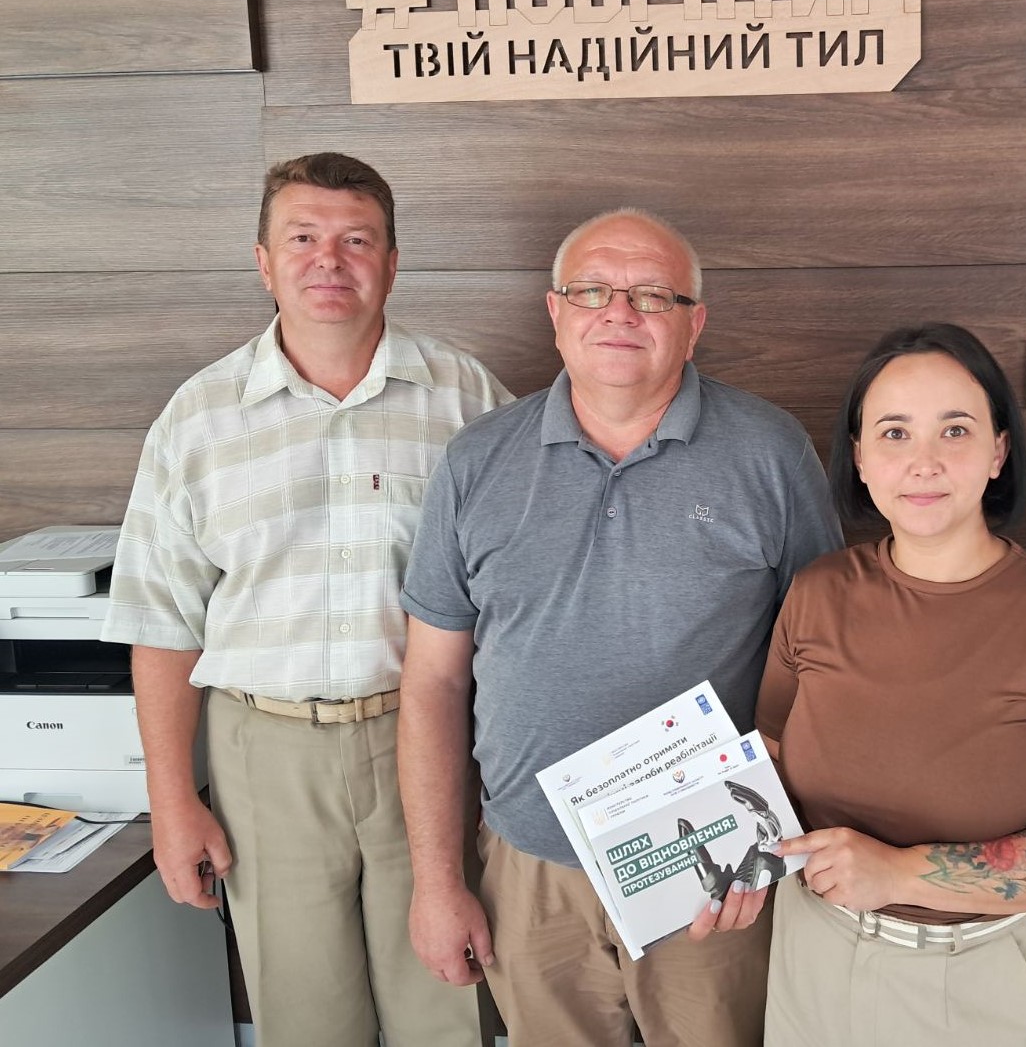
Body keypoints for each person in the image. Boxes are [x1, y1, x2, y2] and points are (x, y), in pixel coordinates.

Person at [397, 208, 843, 1047]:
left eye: (652, 295)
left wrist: (763, 838)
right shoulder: (475, 460)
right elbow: (432, 681)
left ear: (694, 322)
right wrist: (436, 881)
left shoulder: (770, 451)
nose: (619, 312)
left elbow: (824, 664)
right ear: (554, 311)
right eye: (592, 291)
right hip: (528, 867)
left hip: (710, 862)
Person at [102, 152, 511, 1047]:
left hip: (428, 743)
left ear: (392, 263)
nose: (329, 260)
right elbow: (162, 620)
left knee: (444, 1004)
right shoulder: (198, 417)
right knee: (303, 1018)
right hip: (264, 753)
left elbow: (521, 593)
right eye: (302, 239)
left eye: (356, 240)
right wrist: (171, 800)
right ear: (263, 261)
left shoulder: (468, 400)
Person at [758, 322, 1026, 1047]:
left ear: (998, 451)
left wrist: (897, 874)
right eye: (895, 433)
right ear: (859, 457)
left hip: (987, 977)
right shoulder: (815, 593)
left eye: (956, 430)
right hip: (812, 956)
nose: (924, 462)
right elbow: (768, 764)